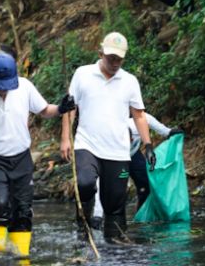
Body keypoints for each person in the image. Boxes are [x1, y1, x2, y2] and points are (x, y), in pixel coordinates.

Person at [0, 53, 74, 259]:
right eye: (1, 84)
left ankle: (21, 258)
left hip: (21, 157)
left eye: (9, 84)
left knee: (23, 208)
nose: (5, 89)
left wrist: (60, 108)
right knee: (1, 205)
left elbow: (44, 110)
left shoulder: (24, 87)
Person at [60, 32, 155, 243]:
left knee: (115, 204)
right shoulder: (82, 74)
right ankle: (82, 222)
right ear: (100, 52)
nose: (114, 62)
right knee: (84, 183)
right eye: (111, 57)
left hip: (118, 150)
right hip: (87, 143)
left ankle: (115, 247)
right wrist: (66, 138)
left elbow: (139, 115)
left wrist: (148, 145)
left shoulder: (130, 81)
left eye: (119, 59)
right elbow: (70, 108)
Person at [90, 114, 184, 228]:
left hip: (134, 155)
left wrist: (168, 132)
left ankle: (142, 218)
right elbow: (100, 182)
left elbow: (149, 121)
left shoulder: (137, 124)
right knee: (116, 190)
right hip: (115, 158)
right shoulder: (108, 139)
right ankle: (114, 220)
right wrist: (97, 215)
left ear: (131, 137)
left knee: (146, 184)